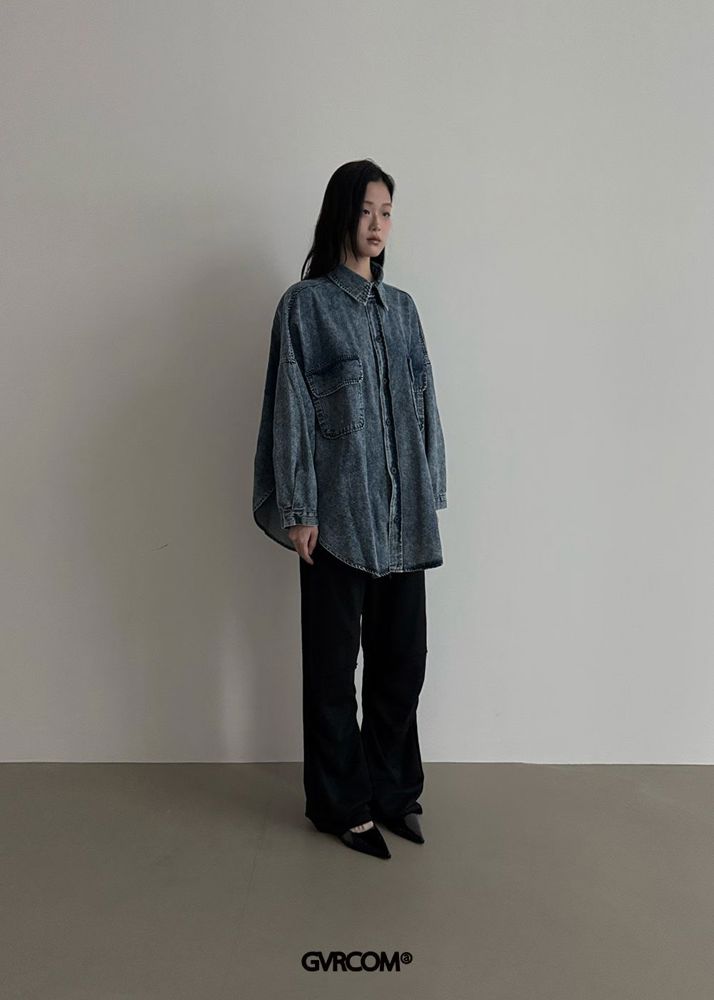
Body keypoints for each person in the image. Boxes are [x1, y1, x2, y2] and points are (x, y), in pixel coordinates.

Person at [252, 159, 448, 859]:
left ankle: (392, 792)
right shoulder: (304, 307)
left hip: (404, 522)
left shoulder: (405, 311)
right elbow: (291, 411)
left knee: (404, 662)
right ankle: (340, 804)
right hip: (335, 521)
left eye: (387, 212)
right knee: (334, 673)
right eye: (366, 210)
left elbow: (426, 405)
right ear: (341, 213)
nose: (377, 224)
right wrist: (299, 507)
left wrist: (431, 492)